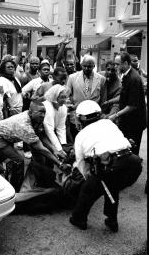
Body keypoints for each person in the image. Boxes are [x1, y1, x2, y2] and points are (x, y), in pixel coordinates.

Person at [69, 100, 142, 232]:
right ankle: (112, 221)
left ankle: (78, 219)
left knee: (88, 189)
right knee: (112, 185)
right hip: (134, 164)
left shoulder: (80, 136)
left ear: (81, 118)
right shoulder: (109, 123)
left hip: (112, 166)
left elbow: (81, 163)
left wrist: (89, 179)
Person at [0, 101, 71, 192]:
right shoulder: (24, 124)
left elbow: (41, 135)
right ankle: (15, 189)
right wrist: (60, 164)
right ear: (30, 112)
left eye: (44, 112)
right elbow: (40, 148)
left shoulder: (36, 118)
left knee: (38, 155)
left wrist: (55, 150)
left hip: (6, 136)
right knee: (19, 161)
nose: (43, 115)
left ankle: (40, 181)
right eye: (40, 112)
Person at [109, 52, 147, 156]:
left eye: (117, 64)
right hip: (128, 121)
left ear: (125, 63)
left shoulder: (133, 79)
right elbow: (124, 96)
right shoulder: (126, 75)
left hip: (134, 123)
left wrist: (115, 115)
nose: (115, 67)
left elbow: (132, 105)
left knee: (132, 152)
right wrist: (109, 102)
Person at [66, 54, 107, 140]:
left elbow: (103, 99)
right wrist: (71, 106)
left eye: (89, 66)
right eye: (84, 66)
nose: (87, 68)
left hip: (94, 118)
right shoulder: (72, 78)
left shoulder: (101, 79)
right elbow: (67, 95)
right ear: (81, 65)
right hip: (77, 117)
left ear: (94, 66)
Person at [43, 84, 68, 159]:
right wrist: (59, 149)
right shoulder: (47, 107)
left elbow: (61, 128)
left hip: (49, 133)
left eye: (65, 97)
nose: (65, 100)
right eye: (62, 97)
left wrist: (63, 145)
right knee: (44, 157)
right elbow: (49, 130)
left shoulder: (63, 108)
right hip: (40, 134)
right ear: (55, 97)